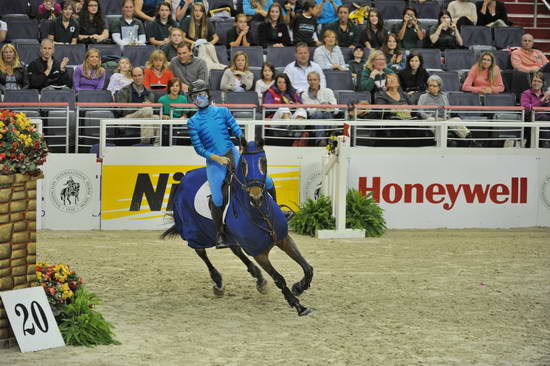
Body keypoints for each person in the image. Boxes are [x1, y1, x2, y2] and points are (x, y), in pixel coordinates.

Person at [186, 79, 276, 247]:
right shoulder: (193, 122)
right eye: (195, 97)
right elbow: (198, 148)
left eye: (201, 95)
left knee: (269, 181)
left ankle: (277, 212)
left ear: (207, 94)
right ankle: (220, 234)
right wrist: (216, 158)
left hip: (233, 153)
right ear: (192, 100)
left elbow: (235, 127)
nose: (199, 99)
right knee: (218, 198)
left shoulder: (222, 112)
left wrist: (242, 143)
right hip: (215, 162)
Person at [418, 74, 471, 143]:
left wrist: (446, 116)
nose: (431, 87)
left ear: (439, 87)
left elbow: (448, 110)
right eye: (430, 85)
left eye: (434, 86)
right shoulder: (423, 97)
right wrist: (428, 116)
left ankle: (469, 139)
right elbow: (420, 110)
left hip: (443, 118)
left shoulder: (443, 96)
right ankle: (444, 140)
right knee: (430, 120)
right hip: (431, 118)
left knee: (456, 119)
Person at [114, 66, 159, 143]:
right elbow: (121, 110)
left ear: (144, 76)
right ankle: (146, 143)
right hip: (126, 119)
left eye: (139, 75)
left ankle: (157, 144)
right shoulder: (124, 91)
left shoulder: (149, 92)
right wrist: (140, 106)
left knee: (157, 118)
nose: (137, 78)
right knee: (147, 109)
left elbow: (153, 111)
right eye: (135, 76)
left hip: (144, 118)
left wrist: (151, 106)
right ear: (132, 77)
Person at [263, 73, 308, 145]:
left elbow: (301, 104)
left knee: (301, 111)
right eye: (279, 82)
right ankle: (291, 131)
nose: (282, 84)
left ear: (287, 83)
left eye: (284, 82)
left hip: (292, 118)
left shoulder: (293, 92)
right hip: (275, 119)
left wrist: (295, 105)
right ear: (276, 83)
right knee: (283, 108)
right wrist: (285, 105)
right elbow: (268, 107)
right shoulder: (271, 92)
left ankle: (295, 133)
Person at [180, 3, 224, 69]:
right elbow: (182, 37)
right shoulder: (187, 21)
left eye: (200, 11)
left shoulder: (207, 22)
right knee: (202, 49)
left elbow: (216, 38)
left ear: (203, 13)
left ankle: (215, 64)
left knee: (208, 47)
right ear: (192, 12)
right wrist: (193, 42)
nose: (198, 13)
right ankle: (210, 66)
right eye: (196, 10)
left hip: (204, 45)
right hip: (191, 45)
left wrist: (209, 43)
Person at [301, 71, 338, 144]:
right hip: (313, 118)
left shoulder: (328, 91)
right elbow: (309, 111)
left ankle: (321, 140)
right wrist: (322, 107)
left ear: (319, 80)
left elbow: (336, 109)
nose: (312, 82)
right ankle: (330, 137)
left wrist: (326, 108)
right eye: (310, 80)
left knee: (325, 114)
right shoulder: (304, 95)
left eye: (315, 79)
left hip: (328, 115)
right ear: (307, 81)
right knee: (318, 114)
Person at [520, 72, 550, 147]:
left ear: (543, 83)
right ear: (531, 82)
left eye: (539, 81)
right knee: (543, 118)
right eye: (534, 81)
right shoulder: (526, 93)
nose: (536, 83)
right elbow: (527, 108)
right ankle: (546, 143)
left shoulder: (546, 95)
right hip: (530, 117)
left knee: (544, 118)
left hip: (546, 118)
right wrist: (541, 101)